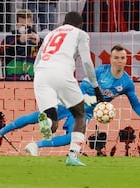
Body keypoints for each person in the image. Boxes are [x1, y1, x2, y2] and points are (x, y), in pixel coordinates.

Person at [0, 45, 140, 155]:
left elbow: (136, 105)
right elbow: (83, 86)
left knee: (73, 138)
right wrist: (92, 99)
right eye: (116, 57)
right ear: (111, 59)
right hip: (73, 102)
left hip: (85, 114)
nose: (120, 60)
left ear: (126, 59)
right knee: (38, 116)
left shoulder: (126, 83)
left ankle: (35, 145)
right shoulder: (100, 71)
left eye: (123, 58)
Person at [33, 11, 102, 166]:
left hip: (41, 75)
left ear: (63, 22)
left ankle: (47, 123)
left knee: (53, 123)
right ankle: (72, 156)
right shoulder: (81, 34)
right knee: (79, 114)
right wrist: (95, 87)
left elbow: (37, 60)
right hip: (62, 72)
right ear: (81, 24)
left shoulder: (51, 34)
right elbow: (86, 62)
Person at [0, 9, 42, 80]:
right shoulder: (9, 39)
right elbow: (3, 56)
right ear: (17, 25)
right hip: (13, 79)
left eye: (27, 26)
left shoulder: (38, 40)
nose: (25, 28)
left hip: (33, 80)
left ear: (32, 23)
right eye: (22, 25)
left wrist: (39, 43)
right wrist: (19, 42)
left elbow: (48, 57)